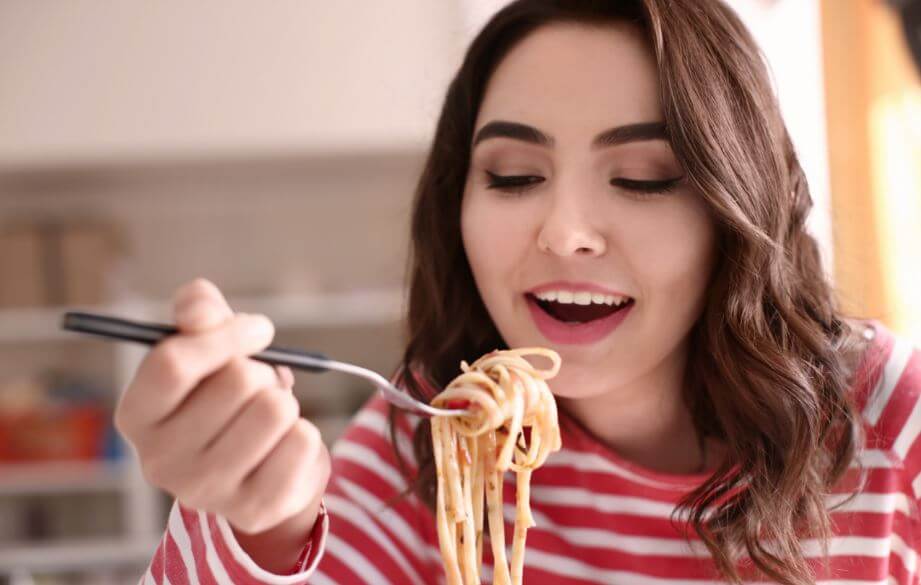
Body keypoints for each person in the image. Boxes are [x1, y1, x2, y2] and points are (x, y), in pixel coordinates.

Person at [118, 1, 921, 583]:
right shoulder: (439, 428)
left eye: (642, 179)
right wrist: (262, 524)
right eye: (513, 176)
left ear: (733, 209)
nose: (565, 231)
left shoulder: (891, 420)